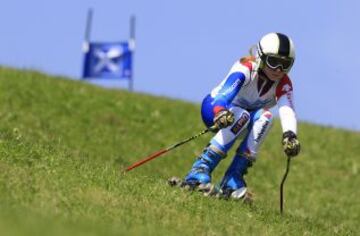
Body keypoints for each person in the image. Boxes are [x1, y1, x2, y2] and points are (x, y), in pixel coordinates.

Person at [182, 32, 301, 199]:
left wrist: (290, 135)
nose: (279, 70)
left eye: (285, 64)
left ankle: (232, 179)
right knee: (242, 115)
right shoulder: (246, 68)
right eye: (273, 62)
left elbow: (287, 109)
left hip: (241, 120)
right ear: (261, 56)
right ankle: (199, 171)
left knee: (266, 117)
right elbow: (224, 95)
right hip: (215, 109)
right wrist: (220, 111)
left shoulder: (283, 83)